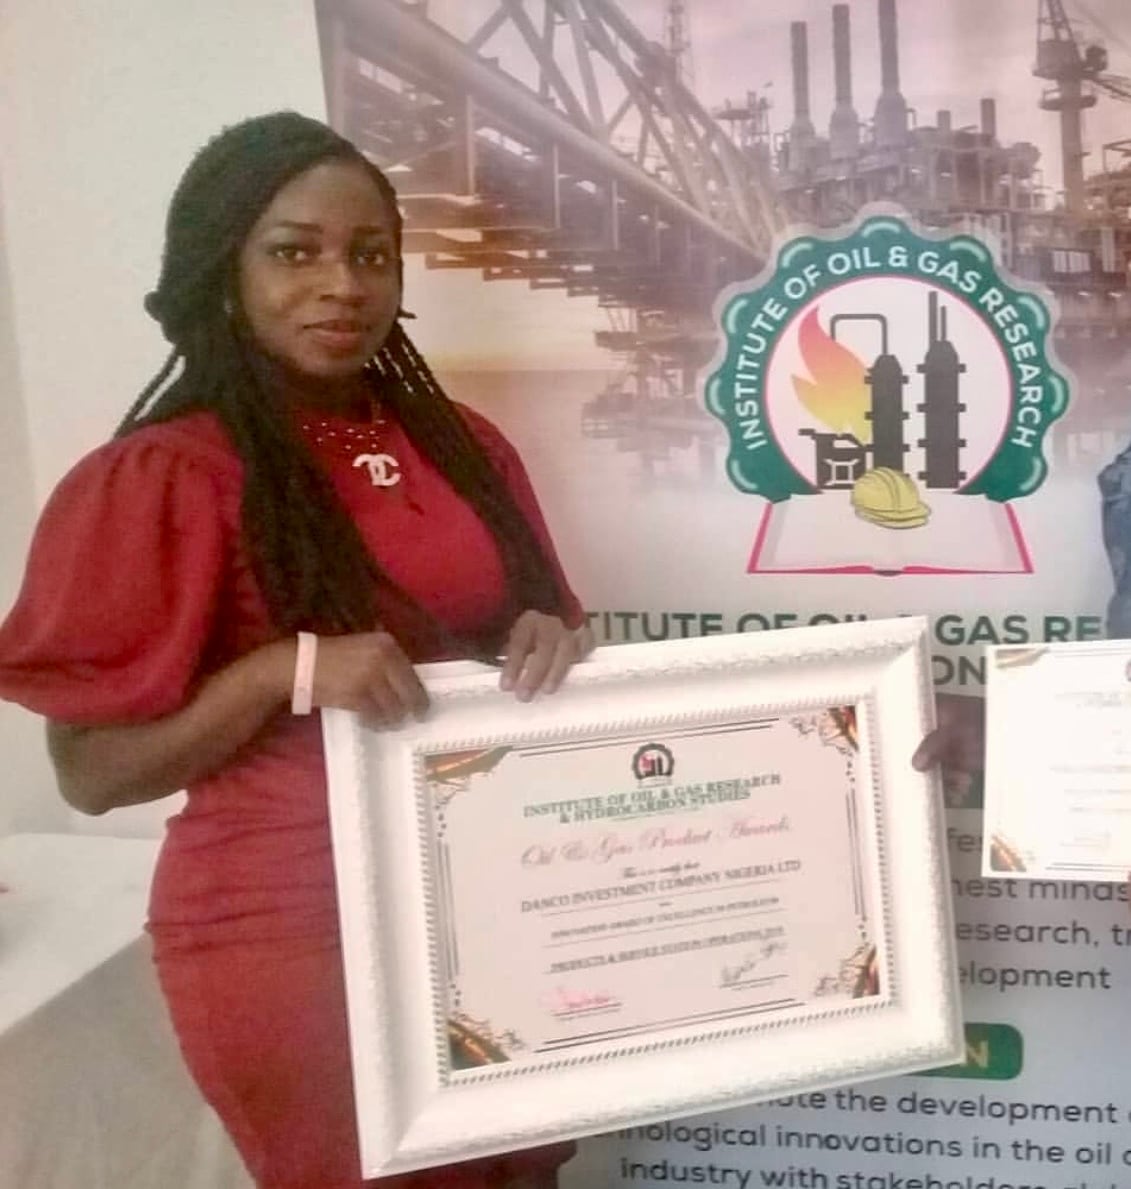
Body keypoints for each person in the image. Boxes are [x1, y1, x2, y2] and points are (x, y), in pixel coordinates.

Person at [0, 112, 592, 1189]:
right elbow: (88, 774)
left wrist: (549, 640)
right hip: (292, 929)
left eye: (371, 254)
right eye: (294, 251)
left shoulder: (464, 445)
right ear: (223, 272)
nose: (342, 284)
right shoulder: (163, 475)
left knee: (525, 1178)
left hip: (500, 891)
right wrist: (287, 672)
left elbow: (534, 631)